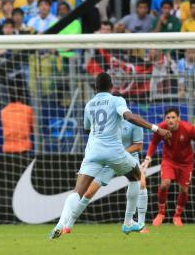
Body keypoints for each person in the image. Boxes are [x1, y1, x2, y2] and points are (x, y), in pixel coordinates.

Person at [49, 72, 171, 239]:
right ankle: (128, 222)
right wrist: (157, 129)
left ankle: (61, 223)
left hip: (93, 152)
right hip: (113, 150)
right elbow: (129, 116)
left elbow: (86, 128)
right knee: (136, 177)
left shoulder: (89, 104)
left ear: (95, 88)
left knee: (78, 191)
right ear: (112, 86)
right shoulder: (116, 100)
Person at [63, 100, 149, 234]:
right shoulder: (109, 123)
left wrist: (120, 155)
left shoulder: (133, 123)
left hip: (130, 157)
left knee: (141, 183)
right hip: (108, 161)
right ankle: (68, 225)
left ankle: (141, 224)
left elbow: (138, 145)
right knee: (88, 192)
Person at [141, 108, 195, 227]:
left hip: (186, 163)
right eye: (168, 118)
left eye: (173, 117)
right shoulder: (161, 128)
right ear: (165, 119)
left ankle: (177, 216)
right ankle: (161, 213)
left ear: (178, 119)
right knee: (165, 183)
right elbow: (154, 142)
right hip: (168, 160)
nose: (170, 120)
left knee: (184, 190)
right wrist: (148, 158)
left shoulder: (188, 128)